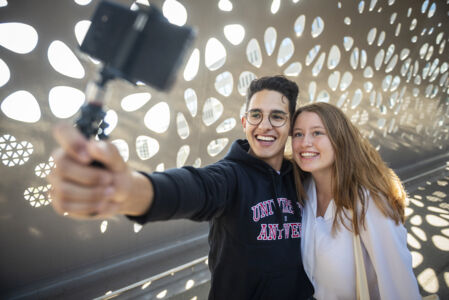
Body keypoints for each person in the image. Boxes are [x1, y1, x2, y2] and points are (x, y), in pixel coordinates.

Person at [48, 75, 314, 300]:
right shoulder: (230, 177)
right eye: (256, 115)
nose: (264, 125)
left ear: (290, 126)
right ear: (244, 122)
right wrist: (126, 189)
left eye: (277, 117)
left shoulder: (302, 178)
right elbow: (194, 187)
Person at [290, 102, 420, 300]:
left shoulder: (370, 202)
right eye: (298, 134)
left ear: (339, 139)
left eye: (317, 133)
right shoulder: (302, 190)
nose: (305, 142)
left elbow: (400, 287)